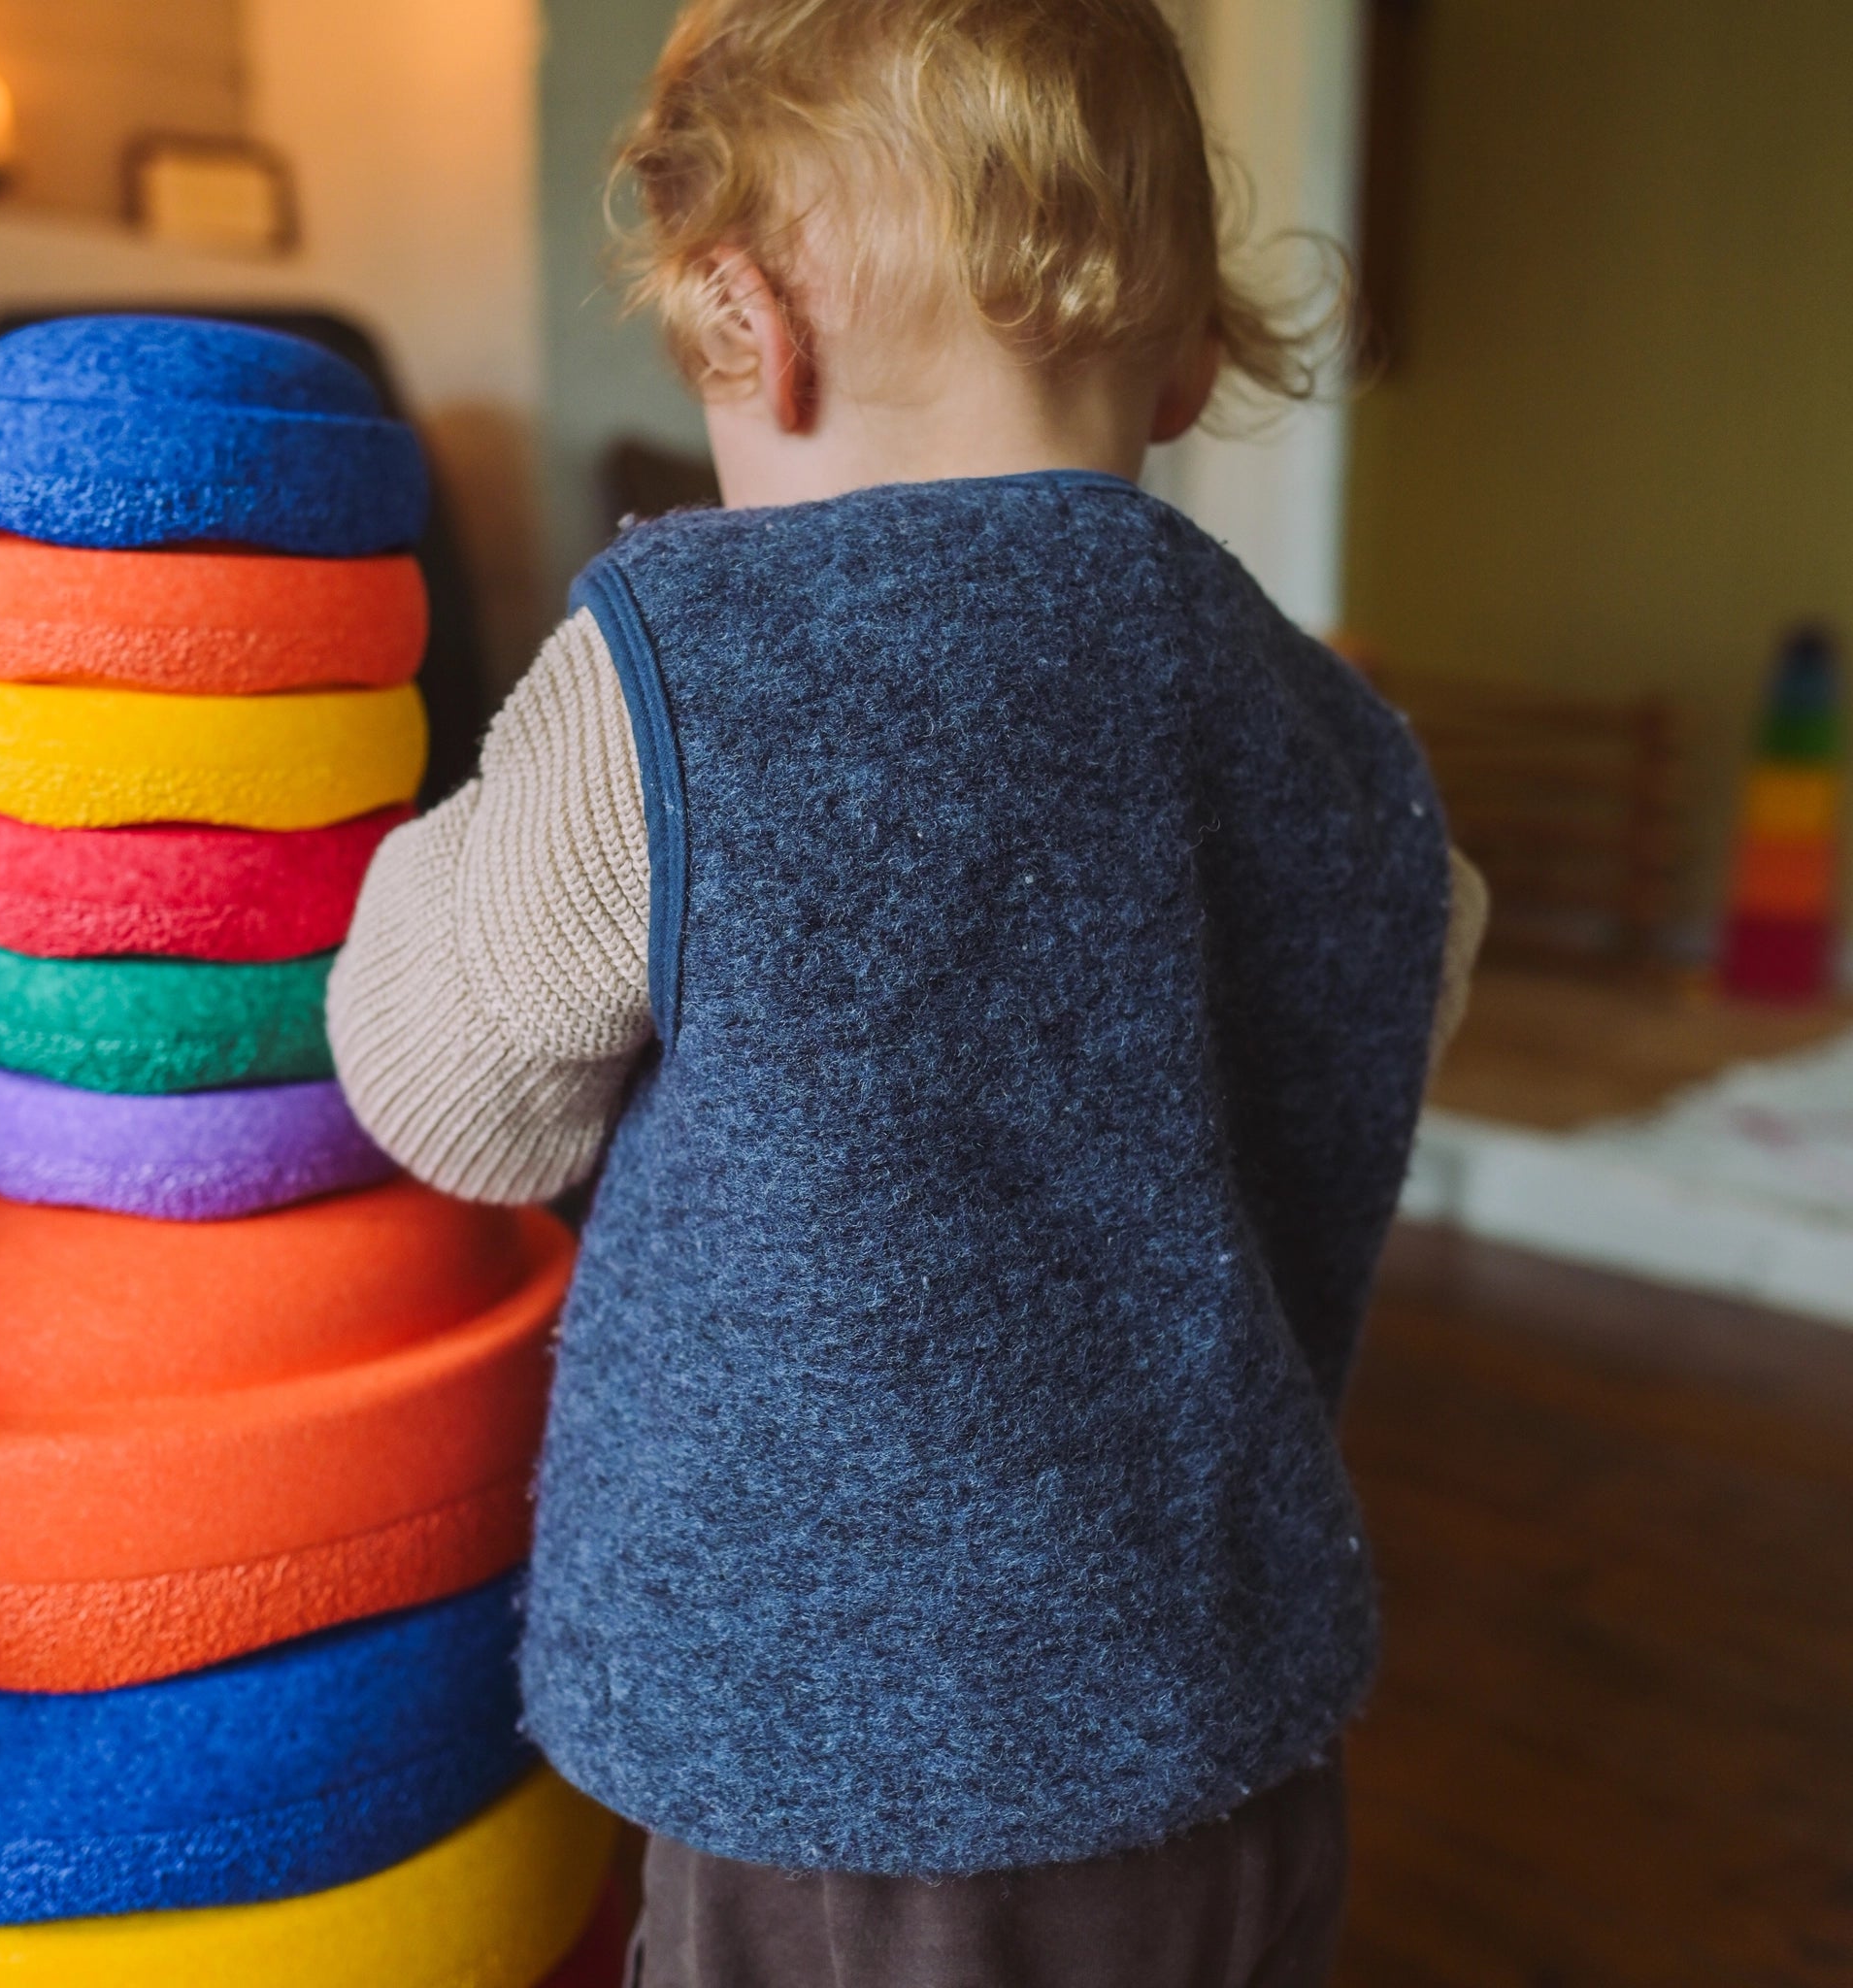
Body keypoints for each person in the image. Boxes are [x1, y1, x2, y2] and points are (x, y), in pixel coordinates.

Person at [329, 2, 1487, 1983]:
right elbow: (1419, 946)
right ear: (1193, 354)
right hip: (1224, 1736)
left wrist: (416, 860)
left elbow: (449, 1087)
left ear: (740, 318)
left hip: (846, 1792)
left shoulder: (686, 668)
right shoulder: (1318, 723)